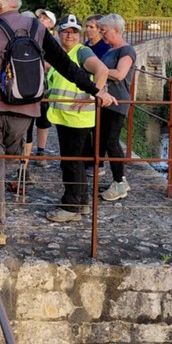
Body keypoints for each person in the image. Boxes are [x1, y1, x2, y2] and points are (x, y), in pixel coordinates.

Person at [0, 0, 116, 246]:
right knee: (5, 160)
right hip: (26, 110)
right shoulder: (37, 28)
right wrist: (94, 90)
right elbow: (65, 64)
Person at [44, 14, 109, 223]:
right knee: (76, 162)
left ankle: (70, 207)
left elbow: (102, 70)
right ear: (59, 33)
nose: (70, 35)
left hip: (76, 117)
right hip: (67, 116)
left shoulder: (81, 52)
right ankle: (82, 202)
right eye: (66, 31)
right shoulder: (61, 54)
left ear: (79, 35)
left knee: (71, 163)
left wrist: (91, 96)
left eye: (74, 32)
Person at [97, 14, 138, 202]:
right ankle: (118, 180)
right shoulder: (110, 50)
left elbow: (121, 74)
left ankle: (120, 182)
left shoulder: (126, 50)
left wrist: (98, 70)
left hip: (117, 102)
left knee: (111, 141)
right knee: (105, 140)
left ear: (116, 30)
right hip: (107, 101)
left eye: (104, 31)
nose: (101, 34)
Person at [81, 14, 110, 177]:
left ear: (99, 29)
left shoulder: (105, 48)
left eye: (91, 27)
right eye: (87, 26)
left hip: (99, 92)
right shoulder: (85, 46)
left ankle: (99, 163)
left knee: (98, 129)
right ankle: (87, 161)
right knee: (85, 128)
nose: (88, 30)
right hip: (85, 90)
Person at [28, 9, 58, 165]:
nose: (40, 18)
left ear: (51, 24)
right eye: (40, 16)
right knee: (26, 118)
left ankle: (41, 150)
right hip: (28, 83)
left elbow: (56, 63)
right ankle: (24, 154)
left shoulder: (53, 41)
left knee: (43, 119)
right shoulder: (30, 35)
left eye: (45, 18)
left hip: (45, 86)